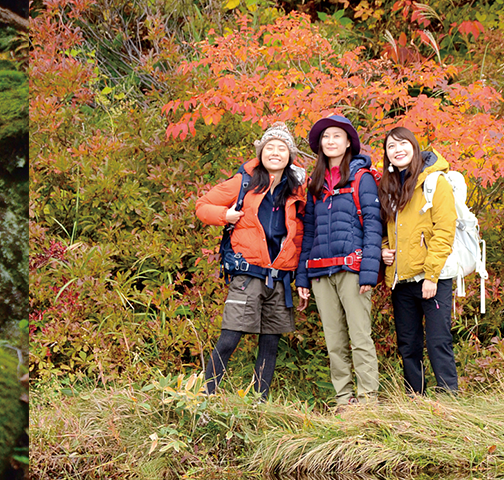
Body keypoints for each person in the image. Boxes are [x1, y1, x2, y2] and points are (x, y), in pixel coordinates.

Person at [195, 122, 307, 401]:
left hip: (280, 278)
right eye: (270, 147)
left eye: (282, 149)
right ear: (261, 152)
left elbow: (301, 234)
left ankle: (259, 402)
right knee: (230, 338)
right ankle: (206, 396)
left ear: (289, 157)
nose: (276, 153)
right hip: (247, 275)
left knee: (270, 343)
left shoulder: (296, 190)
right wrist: (226, 216)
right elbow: (203, 206)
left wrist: (301, 276)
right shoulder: (243, 182)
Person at [294, 114, 384, 407]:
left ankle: (368, 400)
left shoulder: (362, 178)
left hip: (353, 269)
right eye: (325, 137)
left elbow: (373, 226)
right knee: (334, 342)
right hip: (320, 272)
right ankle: (344, 401)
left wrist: (370, 272)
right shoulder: (315, 183)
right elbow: (309, 232)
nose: (330, 141)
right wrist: (302, 277)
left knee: (360, 337)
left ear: (348, 143)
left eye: (336, 136)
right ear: (320, 144)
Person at [377, 126, 460, 396]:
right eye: (391, 146)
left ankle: (448, 398)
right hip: (401, 280)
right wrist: (384, 249)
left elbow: (444, 231)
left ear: (414, 147)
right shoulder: (389, 187)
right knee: (408, 344)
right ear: (387, 154)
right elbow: (390, 230)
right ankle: (416, 401)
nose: (397, 150)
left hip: (433, 279)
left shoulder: (436, 182)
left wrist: (431, 276)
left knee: (438, 341)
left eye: (403, 144)